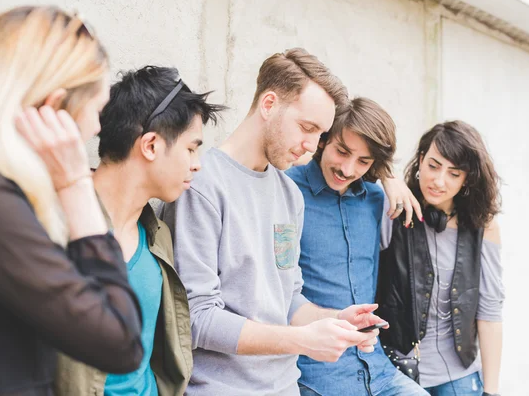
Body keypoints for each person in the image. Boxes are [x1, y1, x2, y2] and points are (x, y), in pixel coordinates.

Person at [158, 48, 384, 396]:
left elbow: (288, 300)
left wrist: (336, 321)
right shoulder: (202, 184)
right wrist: (303, 341)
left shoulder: (289, 194)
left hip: (285, 387)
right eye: (307, 128)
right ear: (269, 104)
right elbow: (196, 318)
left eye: (320, 135)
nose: (311, 146)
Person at [0, 5, 143, 395]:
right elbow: (119, 340)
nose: (98, 128)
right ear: (54, 108)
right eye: (97, 111)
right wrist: (75, 185)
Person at [54, 65, 224, 395]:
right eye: (191, 148)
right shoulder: (56, 225)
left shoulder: (158, 235)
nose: (197, 163)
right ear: (150, 145)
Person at [286, 97, 428, 396]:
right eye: (342, 151)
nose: (348, 169)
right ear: (324, 140)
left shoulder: (377, 200)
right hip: (315, 373)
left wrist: (389, 178)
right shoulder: (287, 190)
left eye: (363, 161)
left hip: (377, 368)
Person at [377, 120, 504, 396]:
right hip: (397, 372)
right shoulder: (393, 211)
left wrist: (491, 391)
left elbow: (490, 311)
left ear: (467, 179)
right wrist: (387, 178)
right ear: (420, 160)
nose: (438, 180)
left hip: (460, 376)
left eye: (453, 173)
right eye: (433, 166)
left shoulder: (484, 226)